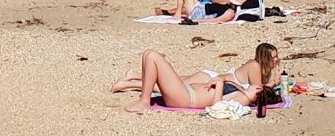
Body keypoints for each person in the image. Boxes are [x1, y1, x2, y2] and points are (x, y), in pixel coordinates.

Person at [113, 43, 283, 113]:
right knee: (149, 55)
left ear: (258, 95)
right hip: (187, 92)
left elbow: (217, 107)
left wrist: (220, 81)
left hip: (187, 97)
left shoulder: (245, 98)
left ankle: (144, 101)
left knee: (152, 56)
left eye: (259, 88)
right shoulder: (245, 90)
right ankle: (141, 93)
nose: (257, 86)